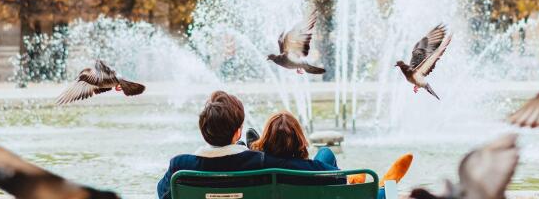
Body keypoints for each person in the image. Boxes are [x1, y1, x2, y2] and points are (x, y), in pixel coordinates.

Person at [156, 91, 342, 199]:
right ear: (238, 131)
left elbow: (162, 193)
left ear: (203, 131)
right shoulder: (261, 162)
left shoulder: (180, 167)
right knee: (325, 154)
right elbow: (326, 175)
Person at [249, 111, 413, 199]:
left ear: (266, 137)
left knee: (325, 153)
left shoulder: (256, 164)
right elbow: (342, 178)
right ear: (299, 139)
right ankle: (387, 184)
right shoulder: (313, 170)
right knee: (380, 193)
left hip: (280, 184)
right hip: (314, 186)